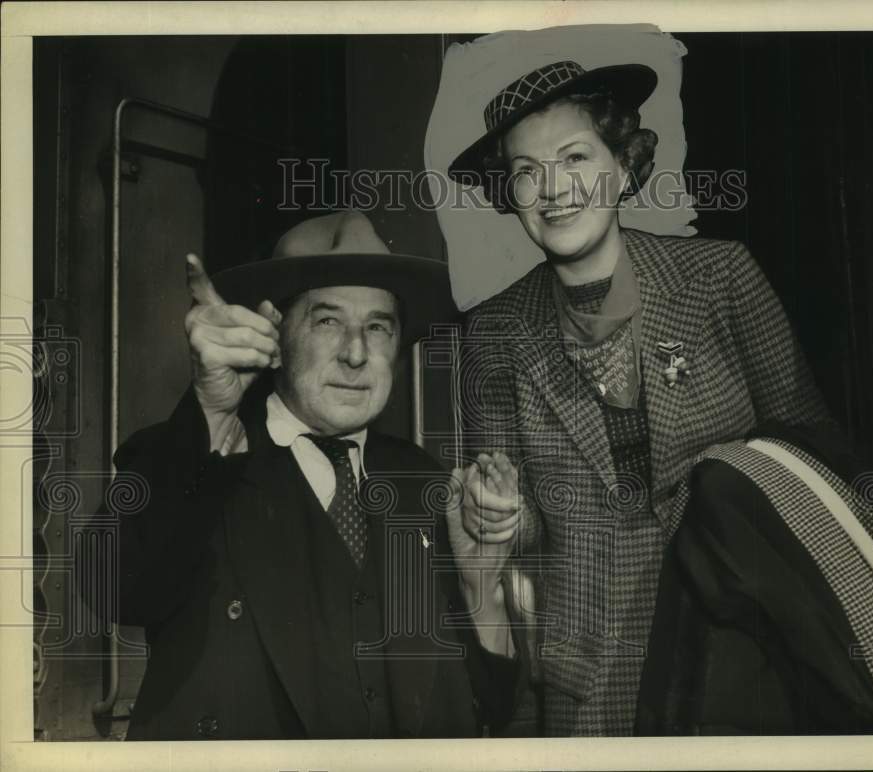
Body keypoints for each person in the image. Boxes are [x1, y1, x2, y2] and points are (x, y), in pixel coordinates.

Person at [446, 60, 833, 735]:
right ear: (509, 195)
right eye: (527, 171)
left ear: (624, 166)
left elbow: (814, 461)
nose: (553, 189)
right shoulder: (493, 332)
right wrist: (498, 513)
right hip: (589, 680)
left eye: (574, 157)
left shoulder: (722, 279)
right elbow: (519, 538)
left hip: (745, 657)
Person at [82, 211, 521, 740]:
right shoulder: (193, 454)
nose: (356, 353)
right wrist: (209, 411)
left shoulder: (427, 484)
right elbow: (115, 591)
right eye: (327, 321)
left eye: (378, 327)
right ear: (277, 336)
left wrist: (482, 589)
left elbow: (491, 705)